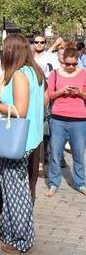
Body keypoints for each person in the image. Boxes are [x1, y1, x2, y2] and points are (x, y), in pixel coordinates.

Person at [0, 33, 45, 253]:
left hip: (18, 142)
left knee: (16, 194)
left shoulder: (21, 75)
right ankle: (8, 231)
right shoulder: (34, 72)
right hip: (30, 138)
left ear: (11, 50)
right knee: (10, 189)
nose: (2, 53)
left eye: (4, 49)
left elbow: (19, 111)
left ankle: (22, 239)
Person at [45, 48, 86, 196]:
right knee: (55, 154)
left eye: (74, 64)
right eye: (68, 64)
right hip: (58, 119)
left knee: (79, 153)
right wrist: (62, 91)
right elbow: (49, 95)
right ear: (63, 61)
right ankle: (54, 183)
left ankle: (81, 183)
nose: (70, 67)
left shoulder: (84, 74)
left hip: (80, 120)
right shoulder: (54, 74)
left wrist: (80, 93)